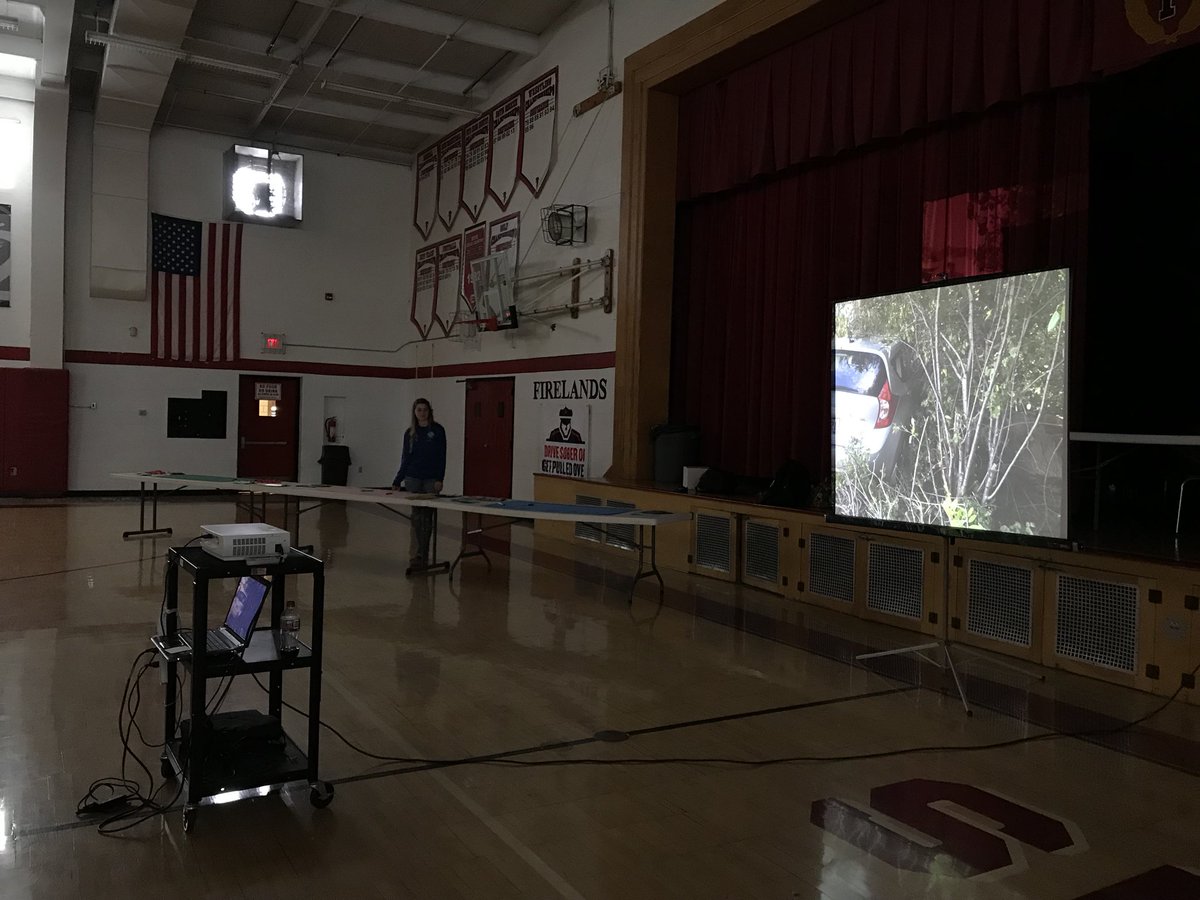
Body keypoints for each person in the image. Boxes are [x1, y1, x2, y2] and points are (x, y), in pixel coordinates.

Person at [391, 398, 446, 568]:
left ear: (430, 411)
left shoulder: (437, 431)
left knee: (427, 517)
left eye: (425, 410)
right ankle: (417, 552)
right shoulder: (410, 433)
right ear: (414, 413)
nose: (422, 413)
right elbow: (405, 458)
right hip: (413, 478)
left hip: (431, 479)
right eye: (419, 410)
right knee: (417, 517)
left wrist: (439, 479)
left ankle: (424, 552)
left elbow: (441, 456)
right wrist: (398, 479)